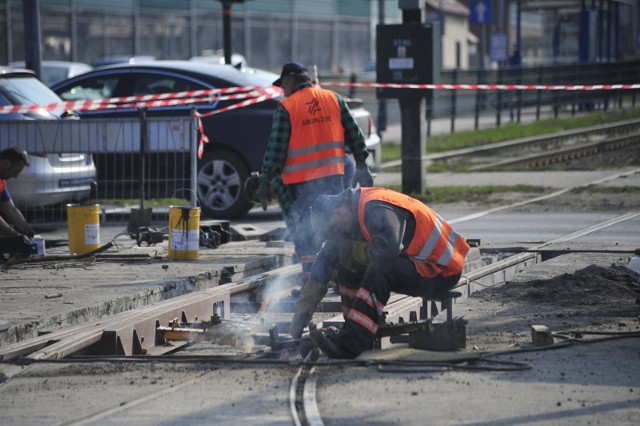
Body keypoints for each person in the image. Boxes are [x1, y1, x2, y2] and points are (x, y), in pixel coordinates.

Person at [290, 187, 471, 359]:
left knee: (378, 267)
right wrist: (300, 318)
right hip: (419, 266)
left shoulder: (375, 207)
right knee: (345, 257)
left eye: (334, 231)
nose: (336, 236)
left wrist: (353, 252)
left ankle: (354, 344)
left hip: (440, 269)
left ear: (338, 213)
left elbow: (388, 249)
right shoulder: (350, 219)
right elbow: (323, 266)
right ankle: (352, 330)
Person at [257, 62, 373, 279]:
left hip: (301, 183)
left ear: (290, 82)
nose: (283, 90)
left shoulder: (287, 107)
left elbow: (276, 149)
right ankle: (342, 276)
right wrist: (362, 164)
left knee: (306, 232)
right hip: (333, 177)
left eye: (283, 85)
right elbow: (355, 135)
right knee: (335, 225)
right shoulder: (334, 99)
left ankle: (312, 281)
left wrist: (266, 177)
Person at [0, 147, 36, 239]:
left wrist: (31, 236)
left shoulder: (1, 183)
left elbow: (11, 210)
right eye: (16, 171)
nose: (16, 176)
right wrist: (16, 236)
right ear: (7, 164)